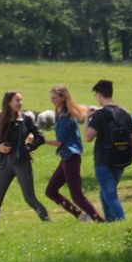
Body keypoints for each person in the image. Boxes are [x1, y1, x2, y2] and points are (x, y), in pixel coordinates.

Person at [0, 90, 49, 232]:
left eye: (21, 100)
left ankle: (48, 224)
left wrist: (27, 147)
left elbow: (40, 137)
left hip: (22, 163)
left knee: (29, 198)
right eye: (17, 100)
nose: (20, 103)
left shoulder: (27, 118)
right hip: (3, 164)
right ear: (8, 102)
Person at [44, 85, 103, 222]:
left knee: (77, 196)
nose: (52, 100)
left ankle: (100, 221)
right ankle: (81, 216)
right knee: (51, 191)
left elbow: (60, 142)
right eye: (51, 98)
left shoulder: (65, 116)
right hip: (67, 156)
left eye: (55, 97)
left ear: (63, 98)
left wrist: (42, 141)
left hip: (71, 157)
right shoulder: (62, 112)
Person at [83, 80, 132, 223]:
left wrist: (87, 118)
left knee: (110, 194)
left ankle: (122, 224)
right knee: (105, 193)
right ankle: (110, 223)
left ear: (99, 95)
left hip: (103, 161)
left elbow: (88, 137)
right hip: (121, 159)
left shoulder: (100, 115)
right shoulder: (124, 114)